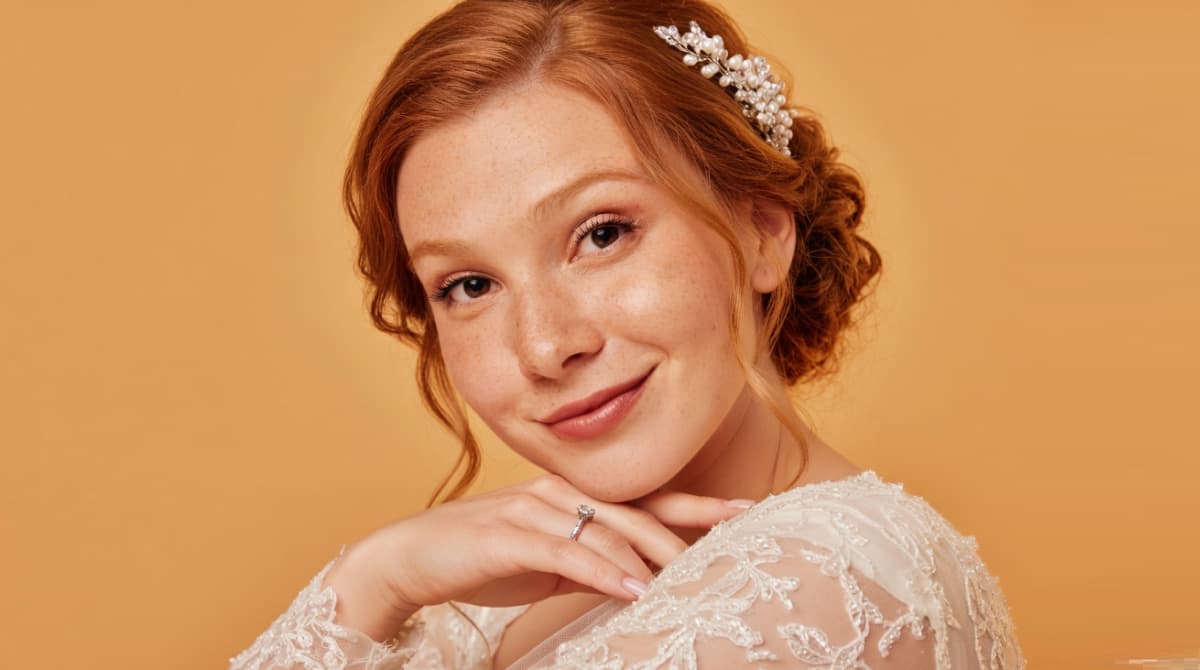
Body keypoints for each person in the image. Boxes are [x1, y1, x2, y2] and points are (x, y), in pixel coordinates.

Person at [229, 0, 1026, 668]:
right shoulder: (489, 600)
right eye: (469, 285)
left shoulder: (836, 584)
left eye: (602, 234)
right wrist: (379, 580)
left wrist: (373, 585)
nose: (545, 346)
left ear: (759, 231)